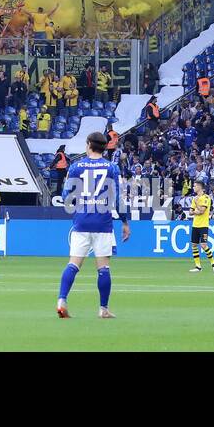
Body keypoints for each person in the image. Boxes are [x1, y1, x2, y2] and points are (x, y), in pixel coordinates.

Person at [57, 132, 129, 318]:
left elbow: (66, 197)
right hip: (103, 222)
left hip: (81, 221)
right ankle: (103, 309)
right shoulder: (112, 167)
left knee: (73, 264)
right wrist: (125, 221)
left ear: (89, 144)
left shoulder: (76, 167)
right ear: (104, 147)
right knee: (103, 267)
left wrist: (80, 205)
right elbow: (118, 198)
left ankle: (61, 300)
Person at [187, 180, 214, 273]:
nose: (193, 187)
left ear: (200, 187)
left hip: (203, 225)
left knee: (204, 245)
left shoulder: (206, 198)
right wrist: (196, 210)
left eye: (195, 186)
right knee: (194, 245)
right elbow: (190, 212)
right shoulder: (194, 198)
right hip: (195, 225)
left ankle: (213, 263)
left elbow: (202, 211)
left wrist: (196, 206)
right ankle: (198, 266)